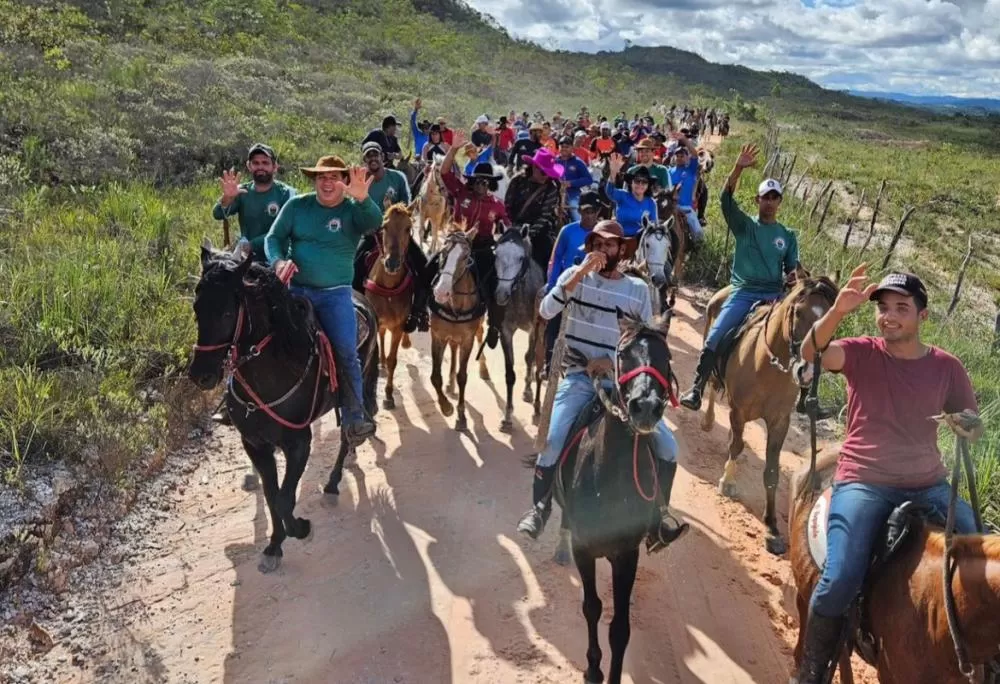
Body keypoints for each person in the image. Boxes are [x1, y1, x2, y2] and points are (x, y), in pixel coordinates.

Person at [793, 265, 983, 684]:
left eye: (902, 307)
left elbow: (971, 418)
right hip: (865, 481)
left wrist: (966, 425)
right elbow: (811, 351)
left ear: (922, 316)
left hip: (929, 483)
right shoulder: (861, 352)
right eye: (883, 308)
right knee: (840, 576)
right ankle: (811, 669)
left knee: (981, 553)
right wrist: (839, 311)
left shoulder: (947, 367)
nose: (889, 316)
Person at [515, 220, 689, 552]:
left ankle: (658, 520)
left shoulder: (637, 290)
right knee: (551, 440)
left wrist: (612, 363)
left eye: (610, 245)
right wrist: (578, 274)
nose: (603, 250)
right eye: (597, 243)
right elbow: (546, 310)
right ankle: (540, 508)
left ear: (621, 250)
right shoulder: (573, 278)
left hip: (623, 383)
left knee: (668, 447)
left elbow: (646, 337)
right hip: (580, 377)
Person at [264, 156, 380, 447]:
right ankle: (239, 400)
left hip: (335, 294)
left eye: (333, 177)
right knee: (261, 337)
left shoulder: (353, 210)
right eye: (321, 178)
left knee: (346, 350)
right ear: (314, 181)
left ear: (343, 180)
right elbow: (273, 238)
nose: (327, 183)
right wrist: (278, 262)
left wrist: (364, 199)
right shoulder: (297, 206)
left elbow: (374, 222)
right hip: (295, 290)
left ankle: (355, 414)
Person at [679, 144, 799, 410]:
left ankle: (803, 396)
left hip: (774, 294)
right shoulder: (744, 224)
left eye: (774, 197)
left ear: (780, 201)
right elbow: (725, 198)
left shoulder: (787, 236)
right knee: (714, 337)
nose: (769, 201)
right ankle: (697, 388)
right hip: (744, 291)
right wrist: (738, 168)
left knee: (801, 336)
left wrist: (796, 280)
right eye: (765, 197)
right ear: (757, 201)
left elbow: (792, 268)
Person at [420, 131, 511, 344]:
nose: (480, 185)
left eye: (485, 183)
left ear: (490, 184)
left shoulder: (497, 205)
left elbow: (506, 223)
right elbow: (444, 173)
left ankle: (494, 326)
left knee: (496, 285)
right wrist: (453, 149)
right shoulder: (461, 192)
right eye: (478, 181)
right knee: (428, 269)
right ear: (473, 181)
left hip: (482, 248)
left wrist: (510, 234)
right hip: (456, 244)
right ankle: (420, 312)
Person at [351, 142, 429, 333]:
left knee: (424, 266)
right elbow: (355, 206)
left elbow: (407, 202)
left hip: (397, 231)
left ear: (382, 157)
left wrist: (396, 217)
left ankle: (419, 312)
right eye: (368, 156)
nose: (372, 159)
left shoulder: (397, 177)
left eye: (375, 155)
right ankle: (357, 312)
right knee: (355, 266)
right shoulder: (361, 180)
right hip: (372, 233)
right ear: (364, 160)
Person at [542, 190, 603, 374]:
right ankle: (548, 361)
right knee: (553, 321)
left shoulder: (603, 233)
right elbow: (556, 258)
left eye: (593, 211)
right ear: (580, 210)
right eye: (585, 211)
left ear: (598, 211)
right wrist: (553, 286)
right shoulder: (567, 231)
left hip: (593, 287)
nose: (589, 215)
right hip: (567, 284)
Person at [213, 143, 297, 263]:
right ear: (249, 166)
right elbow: (217, 214)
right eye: (256, 163)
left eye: (265, 163)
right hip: (248, 259)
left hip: (278, 260)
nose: (260, 167)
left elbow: (285, 231)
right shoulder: (241, 191)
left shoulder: (288, 194)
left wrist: (252, 245)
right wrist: (227, 198)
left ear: (275, 166)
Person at [606, 154, 658, 238]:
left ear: (648, 185)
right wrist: (613, 173)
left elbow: (654, 225)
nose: (640, 184)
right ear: (631, 183)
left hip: (642, 242)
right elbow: (610, 191)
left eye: (644, 182)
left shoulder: (651, 202)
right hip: (621, 238)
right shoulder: (623, 196)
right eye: (637, 181)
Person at [668, 132, 704, 244]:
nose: (679, 158)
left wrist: (684, 140)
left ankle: (697, 250)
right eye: (677, 156)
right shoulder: (668, 171)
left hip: (686, 208)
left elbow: (695, 154)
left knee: (698, 233)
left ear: (687, 157)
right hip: (671, 208)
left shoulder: (691, 169)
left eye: (682, 156)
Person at [557, 135, 594, 222]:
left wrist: (571, 183)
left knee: (575, 211)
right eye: (562, 146)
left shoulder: (578, 162)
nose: (564, 149)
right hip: (555, 194)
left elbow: (588, 179)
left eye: (567, 147)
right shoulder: (554, 161)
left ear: (572, 148)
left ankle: (579, 229)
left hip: (573, 194)